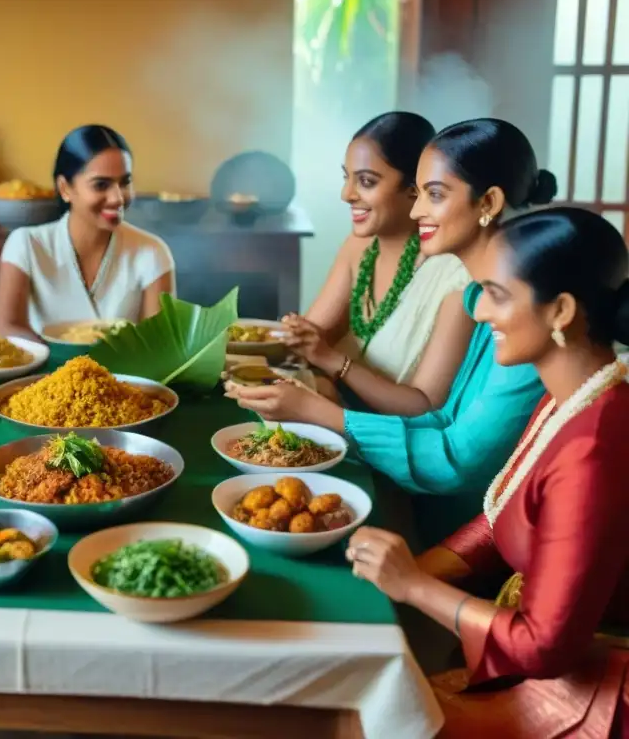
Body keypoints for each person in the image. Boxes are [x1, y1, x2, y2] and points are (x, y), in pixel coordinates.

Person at [346, 207, 629, 738]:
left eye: (497, 295)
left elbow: (544, 646)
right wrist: (410, 571)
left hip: (591, 694)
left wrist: (411, 585)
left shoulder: (596, 442)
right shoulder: (574, 396)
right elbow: (506, 516)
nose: (479, 315)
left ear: (561, 311)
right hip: (543, 662)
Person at [228, 119, 552, 544]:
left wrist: (324, 412)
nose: (417, 209)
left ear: (488, 201)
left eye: (433, 194)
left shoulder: (519, 307)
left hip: (470, 529)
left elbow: (457, 459)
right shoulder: (482, 294)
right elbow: (442, 421)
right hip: (430, 499)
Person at [279, 112, 473, 415]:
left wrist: (332, 363)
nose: (346, 195)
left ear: (415, 188)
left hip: (384, 444)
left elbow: (424, 405)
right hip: (325, 413)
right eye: (347, 177)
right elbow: (309, 342)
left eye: (366, 181)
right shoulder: (359, 246)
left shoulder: (453, 274)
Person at [0, 125, 175, 340]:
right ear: (65, 189)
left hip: (124, 374)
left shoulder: (152, 251)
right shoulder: (26, 244)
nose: (117, 198)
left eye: (125, 182)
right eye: (101, 185)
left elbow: (159, 342)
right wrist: (63, 361)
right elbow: (7, 327)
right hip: (46, 372)